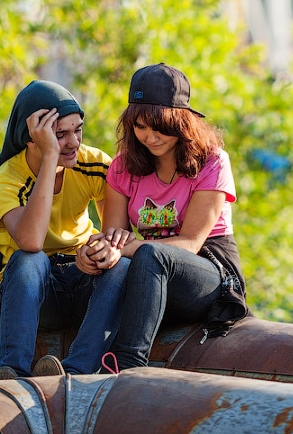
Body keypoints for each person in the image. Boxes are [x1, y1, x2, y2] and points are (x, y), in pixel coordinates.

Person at [0, 80, 131, 378]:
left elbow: (115, 234)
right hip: (35, 294)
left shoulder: (94, 164)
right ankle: (12, 370)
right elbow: (30, 242)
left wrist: (100, 251)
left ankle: (76, 370)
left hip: (83, 279)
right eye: (60, 135)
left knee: (122, 264)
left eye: (77, 130)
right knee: (30, 260)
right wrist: (50, 158)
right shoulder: (8, 178)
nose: (74, 143)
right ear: (32, 138)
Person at [89, 63, 248, 372]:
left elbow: (190, 242)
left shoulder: (213, 161)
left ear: (181, 120)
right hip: (149, 275)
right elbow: (115, 239)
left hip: (208, 271)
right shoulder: (123, 165)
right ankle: (80, 363)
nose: (150, 136)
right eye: (140, 126)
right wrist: (99, 251)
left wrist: (131, 247)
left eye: (159, 125)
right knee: (106, 267)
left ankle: (127, 366)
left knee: (151, 254)